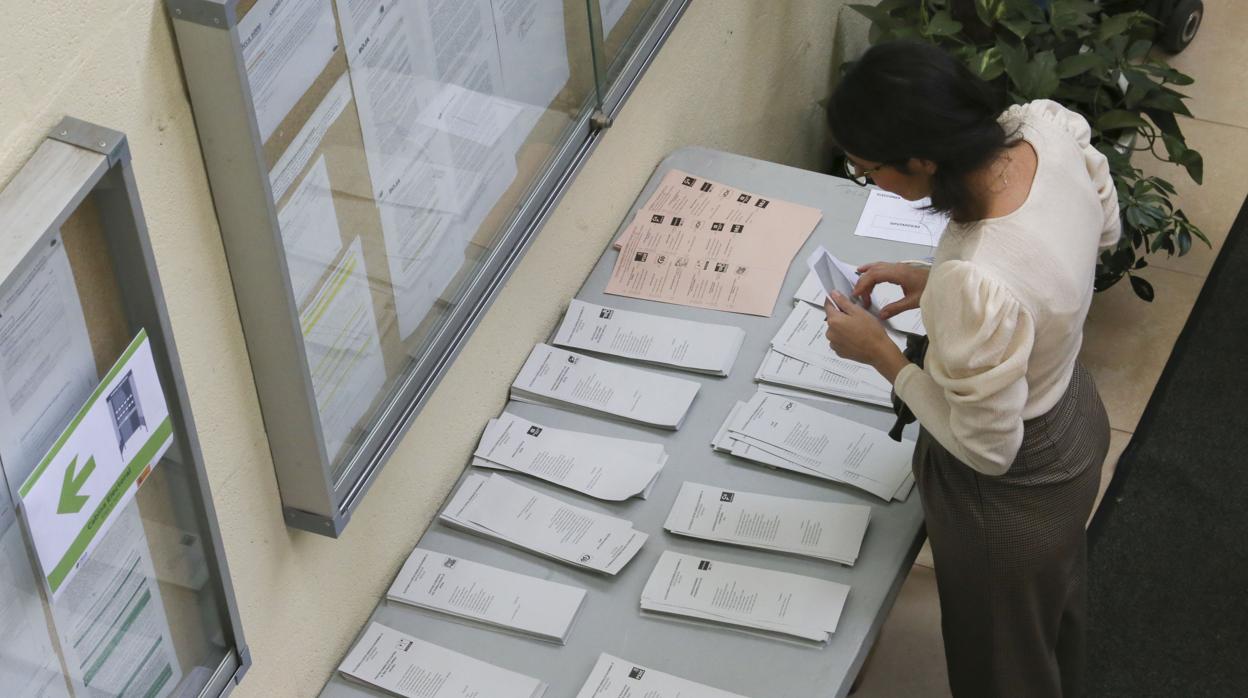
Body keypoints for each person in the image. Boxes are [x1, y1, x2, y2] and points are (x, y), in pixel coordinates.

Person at [823, 41, 1118, 697]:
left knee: (1000, 668)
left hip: (1008, 500)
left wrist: (884, 356)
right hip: (1075, 415)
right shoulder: (1042, 129)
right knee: (1044, 618)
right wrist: (938, 283)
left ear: (922, 159)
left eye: (869, 168)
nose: (868, 179)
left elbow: (987, 448)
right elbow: (1089, 233)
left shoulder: (978, 276)